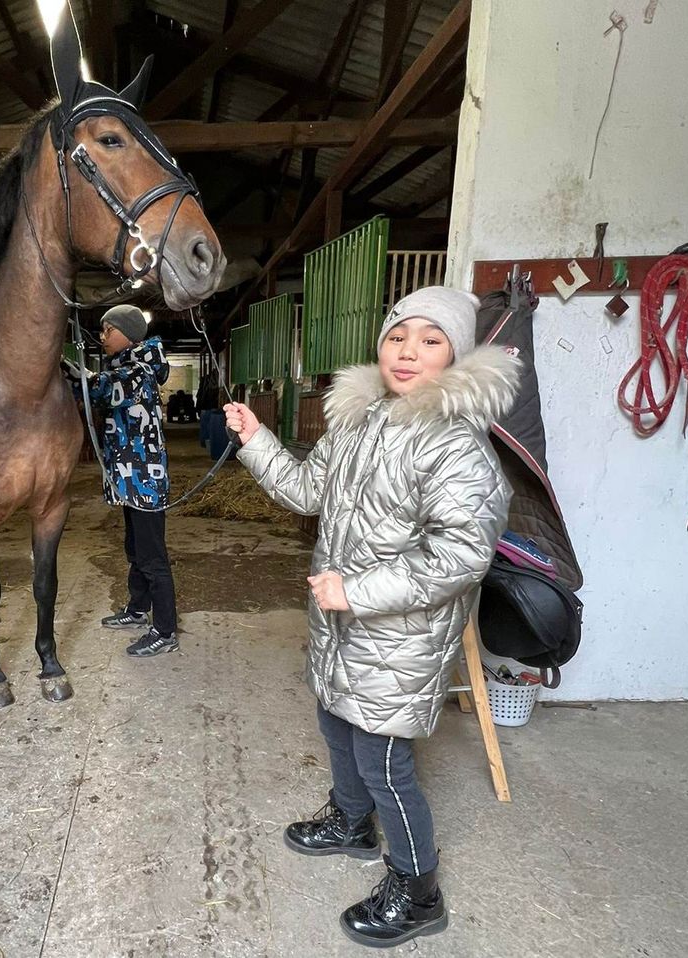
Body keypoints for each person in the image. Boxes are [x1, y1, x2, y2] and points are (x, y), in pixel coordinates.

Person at [224, 287, 519, 948]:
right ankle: (351, 822)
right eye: (397, 336)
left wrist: (356, 591)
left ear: (456, 354)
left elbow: (460, 556)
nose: (409, 351)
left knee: (384, 760)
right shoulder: (360, 421)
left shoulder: (456, 447)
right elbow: (305, 490)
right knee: (333, 718)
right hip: (341, 623)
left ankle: (419, 890)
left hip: (400, 633)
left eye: (430, 339)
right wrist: (256, 438)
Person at [68, 304, 178, 657]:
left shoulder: (137, 373)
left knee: (152, 557)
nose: (102, 337)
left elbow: (95, 391)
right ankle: (137, 609)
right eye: (101, 331)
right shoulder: (128, 367)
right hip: (130, 483)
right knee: (135, 549)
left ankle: (165, 630)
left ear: (129, 334)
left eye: (108, 330)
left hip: (143, 483)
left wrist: (63, 370)